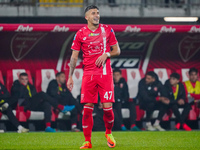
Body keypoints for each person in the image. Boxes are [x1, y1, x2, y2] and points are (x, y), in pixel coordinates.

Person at [67, 5, 120, 149]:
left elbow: (117, 50)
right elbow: (74, 57)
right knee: (87, 109)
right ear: (87, 17)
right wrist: (70, 76)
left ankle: (108, 132)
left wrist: (107, 54)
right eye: (93, 13)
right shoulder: (80, 34)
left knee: (108, 109)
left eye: (98, 13)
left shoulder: (107, 30)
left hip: (105, 74)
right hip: (89, 75)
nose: (96, 15)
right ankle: (87, 141)